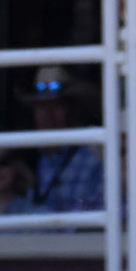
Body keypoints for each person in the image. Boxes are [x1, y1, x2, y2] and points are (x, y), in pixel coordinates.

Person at [23, 65, 103, 214]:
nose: (48, 114)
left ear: (74, 109)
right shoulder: (29, 158)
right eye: (41, 106)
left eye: (57, 105)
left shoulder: (94, 152)